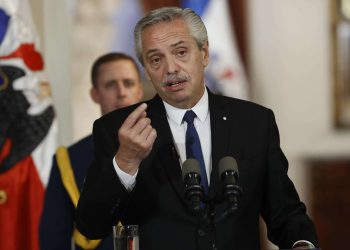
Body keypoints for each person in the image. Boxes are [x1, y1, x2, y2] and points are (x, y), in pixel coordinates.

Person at [76, 7, 319, 250]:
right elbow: (91, 225)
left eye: (181, 52)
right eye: (156, 59)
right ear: (146, 71)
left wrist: (302, 243)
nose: (170, 69)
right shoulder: (119, 130)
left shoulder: (254, 123)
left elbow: (285, 213)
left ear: (204, 54)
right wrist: (126, 162)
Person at [40, 52, 144, 250]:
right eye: (111, 85)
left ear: (139, 90)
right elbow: (53, 237)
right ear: (94, 94)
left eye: (128, 83)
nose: (121, 92)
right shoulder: (69, 160)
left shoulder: (167, 144)